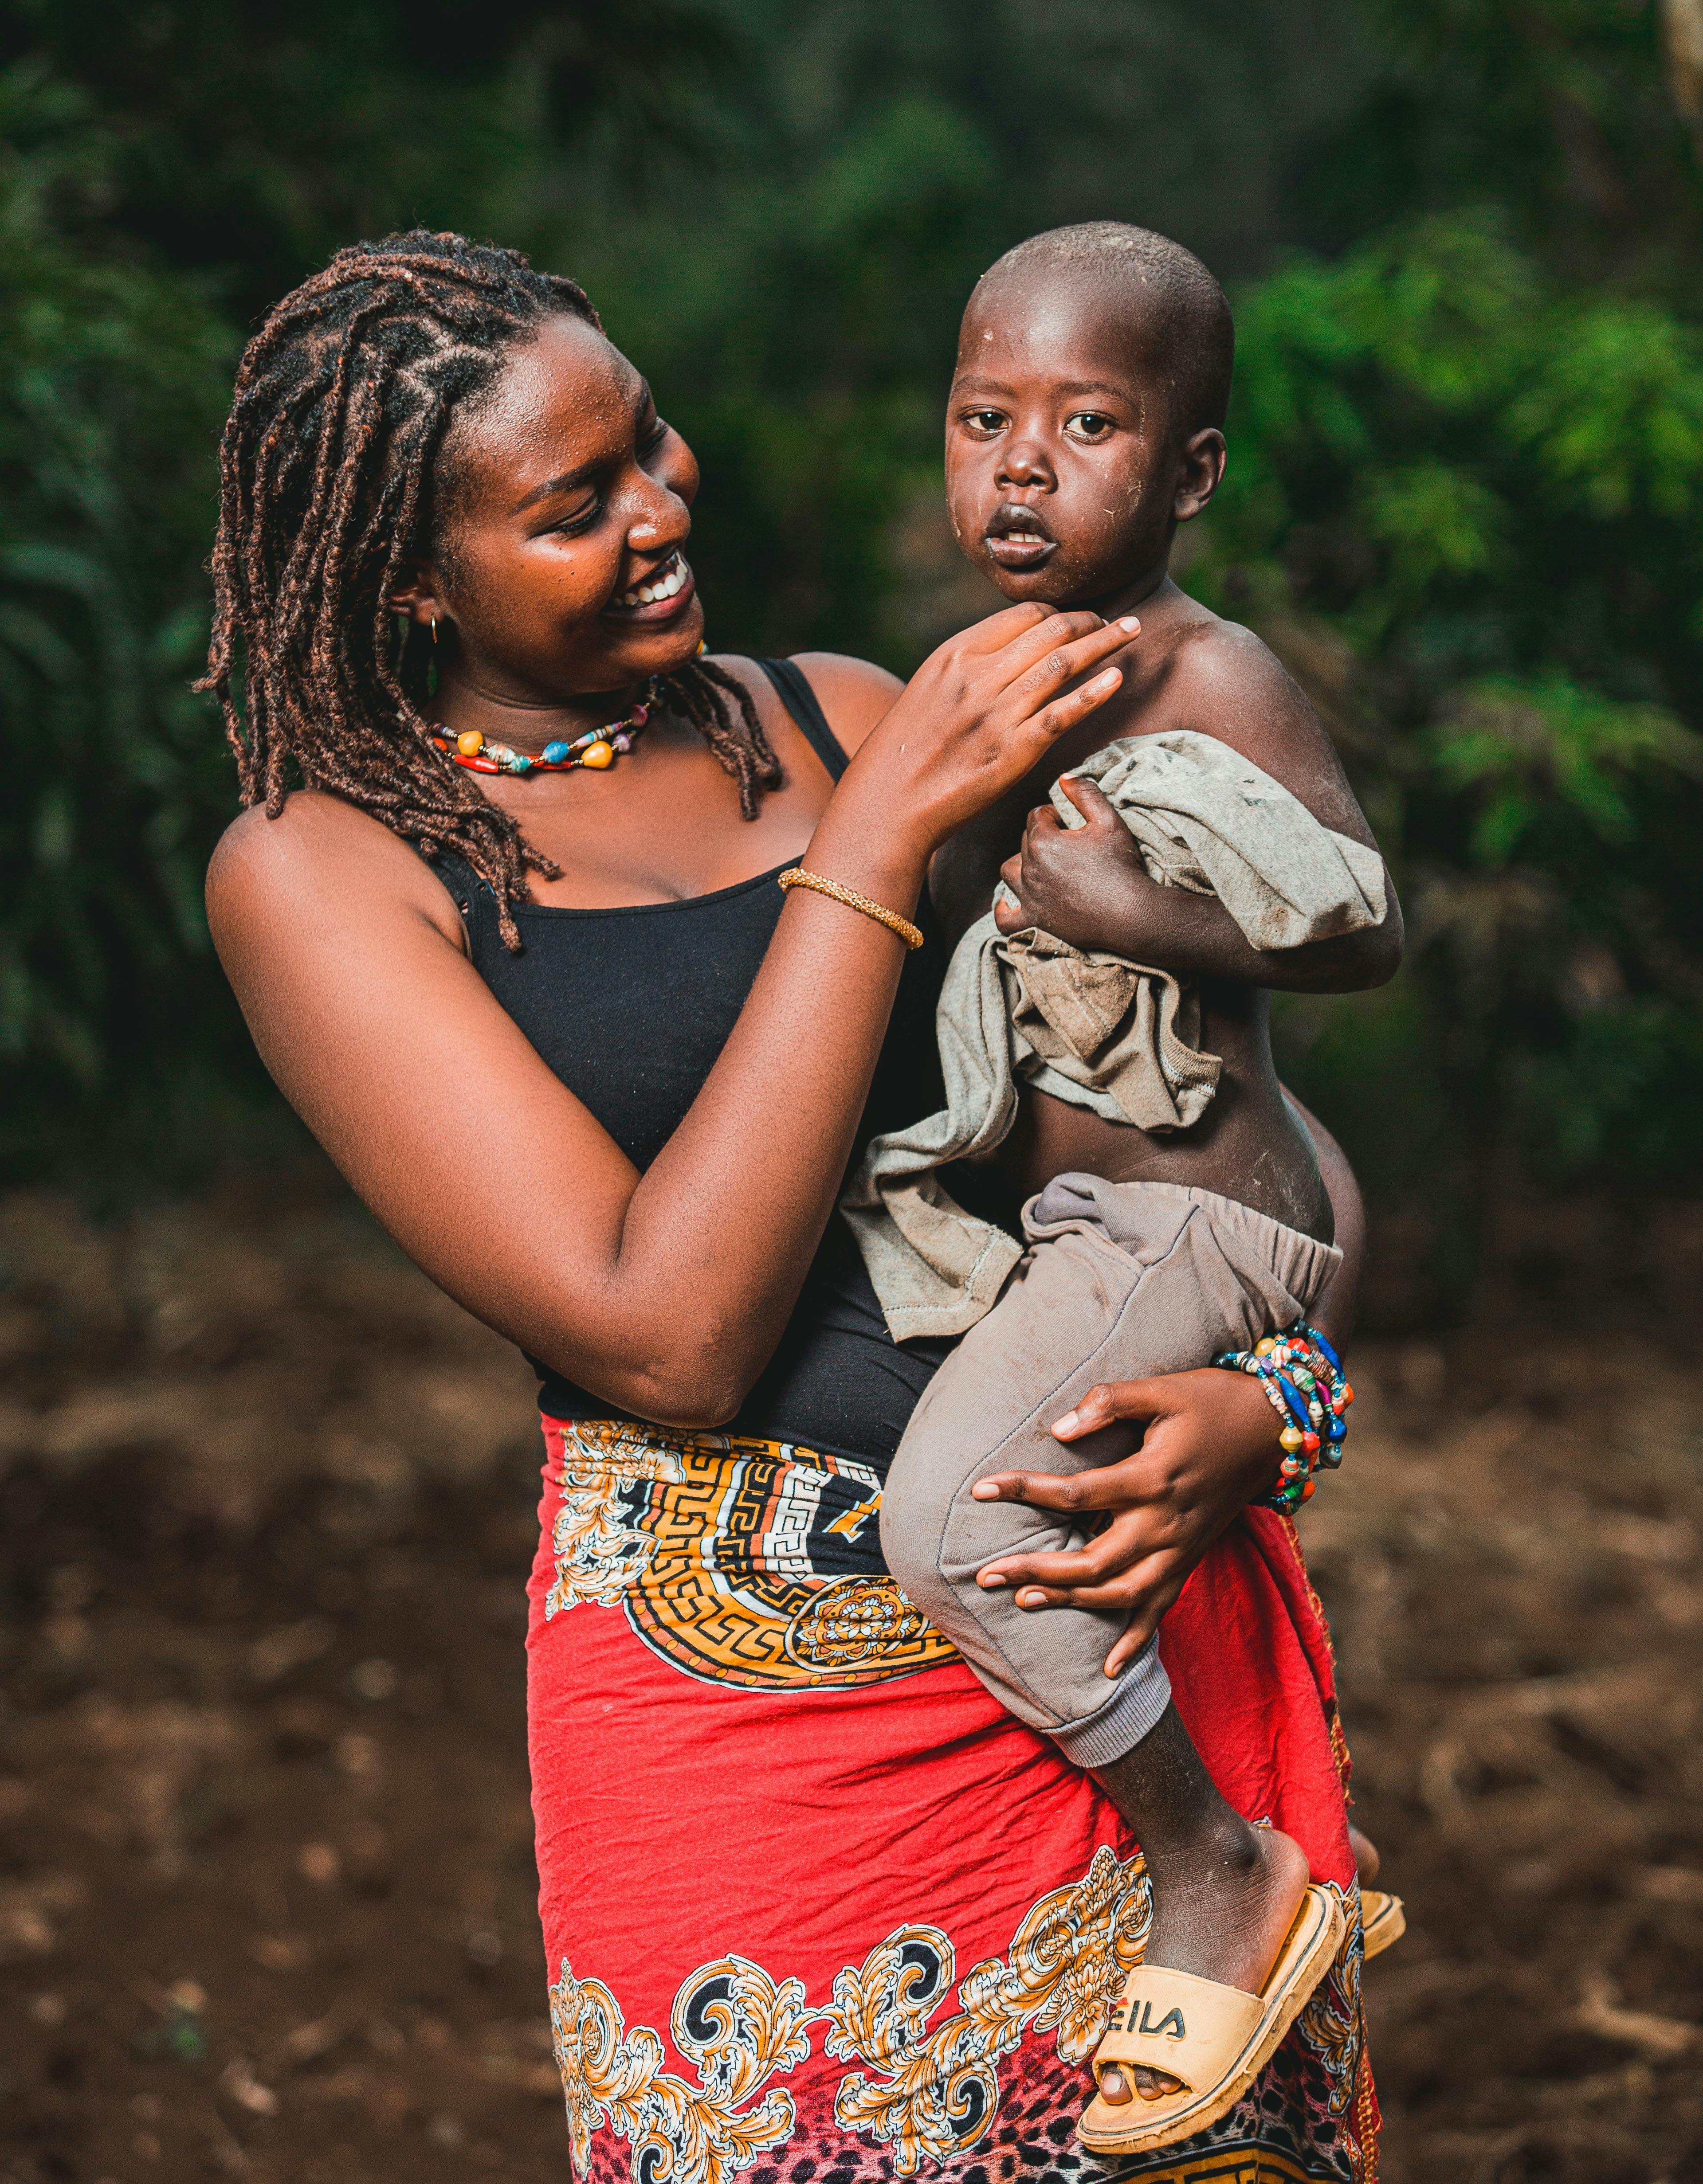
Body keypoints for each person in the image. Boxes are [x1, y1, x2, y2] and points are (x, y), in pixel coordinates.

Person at [201, 229, 1379, 2184]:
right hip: (744, 1732)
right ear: (413, 576)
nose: (662, 509)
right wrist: (880, 848)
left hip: (1112, 1624)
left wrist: (1283, 1408)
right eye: (577, 506)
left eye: (650, 444)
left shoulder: (848, 708)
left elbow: (1239, 1124)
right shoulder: (326, 871)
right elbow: (662, 1330)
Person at [861, 223, 1404, 2156]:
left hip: (1201, 1220)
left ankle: (1216, 1862)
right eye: (982, 417)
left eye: (1087, 424)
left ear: (1189, 471)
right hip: (1098, 1229)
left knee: (946, 1518)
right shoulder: (977, 679)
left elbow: (1363, 927)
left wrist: (1139, 908)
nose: (1020, 466)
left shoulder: (1208, 671)